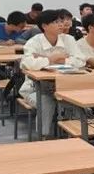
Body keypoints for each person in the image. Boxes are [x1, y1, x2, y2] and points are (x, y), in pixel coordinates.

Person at [18, 10, 86, 138]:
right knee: (46, 101)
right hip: (35, 89)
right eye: (56, 22)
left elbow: (81, 60)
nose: (61, 24)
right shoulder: (34, 42)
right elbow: (27, 63)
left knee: (77, 101)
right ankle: (43, 138)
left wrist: (62, 60)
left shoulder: (69, 39)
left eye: (61, 21)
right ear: (44, 26)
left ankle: (77, 136)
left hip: (64, 87)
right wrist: (51, 59)